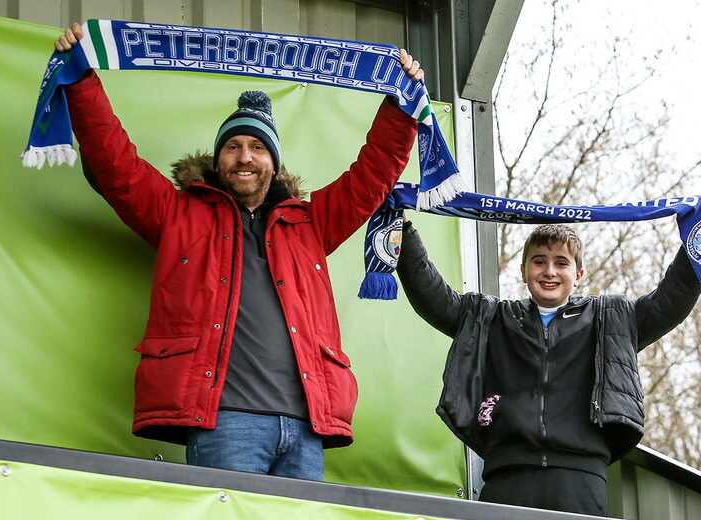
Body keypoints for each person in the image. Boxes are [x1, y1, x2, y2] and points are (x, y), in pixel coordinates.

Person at [54, 23, 424, 480]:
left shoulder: (311, 222)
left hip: (306, 428)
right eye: (232, 147)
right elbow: (115, 164)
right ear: (217, 159)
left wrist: (403, 104)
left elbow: (374, 173)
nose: (244, 157)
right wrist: (83, 79)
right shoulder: (177, 214)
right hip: (225, 422)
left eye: (256, 147)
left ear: (274, 162)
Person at [396, 195, 701, 516]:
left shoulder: (611, 318)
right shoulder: (490, 318)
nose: (549, 271)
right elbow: (432, 296)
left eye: (561, 263)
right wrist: (403, 230)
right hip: (506, 476)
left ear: (578, 274)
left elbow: (671, 299)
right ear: (524, 270)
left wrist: (699, 236)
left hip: (582, 481)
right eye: (539, 261)